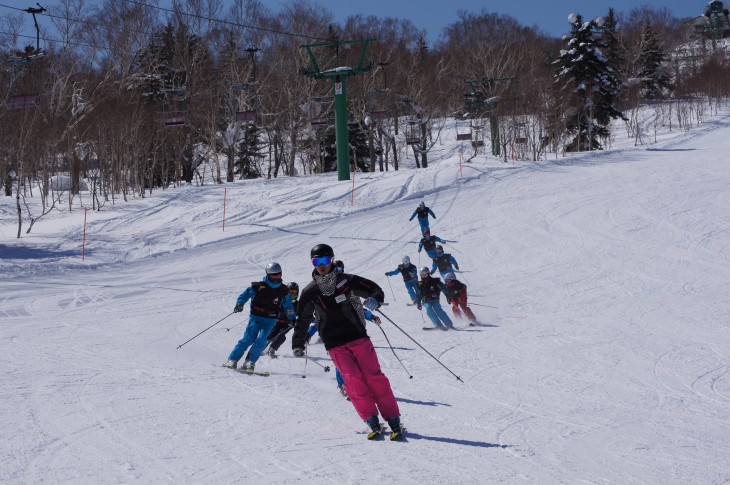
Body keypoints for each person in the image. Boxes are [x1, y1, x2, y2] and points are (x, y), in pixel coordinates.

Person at [292, 243, 402, 436]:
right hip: (335, 343)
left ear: (332, 260)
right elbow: (302, 319)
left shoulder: (346, 281)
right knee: (352, 381)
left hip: (357, 336)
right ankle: (371, 419)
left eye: (325, 260)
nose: (321, 265)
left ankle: (393, 417)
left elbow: (373, 288)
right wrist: (298, 343)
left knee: (374, 377)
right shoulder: (310, 291)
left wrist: (375, 299)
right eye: (317, 261)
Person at [223, 262, 296, 372]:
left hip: (271, 320)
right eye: (273, 275)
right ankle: (232, 360)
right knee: (248, 339)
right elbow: (245, 294)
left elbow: (288, 305)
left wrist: (292, 317)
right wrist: (240, 304)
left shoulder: (283, 290)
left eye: (278, 274)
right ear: (268, 274)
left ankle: (250, 362)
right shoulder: (259, 286)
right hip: (256, 317)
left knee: (261, 341)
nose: (276, 277)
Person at [260, 282, 300, 358]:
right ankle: (260, 348)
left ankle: (272, 349)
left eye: (294, 292)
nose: (292, 294)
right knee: (270, 335)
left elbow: (303, 314)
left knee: (281, 336)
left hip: (287, 324)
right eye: (290, 292)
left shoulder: (298, 305)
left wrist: (310, 318)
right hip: (276, 322)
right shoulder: (282, 301)